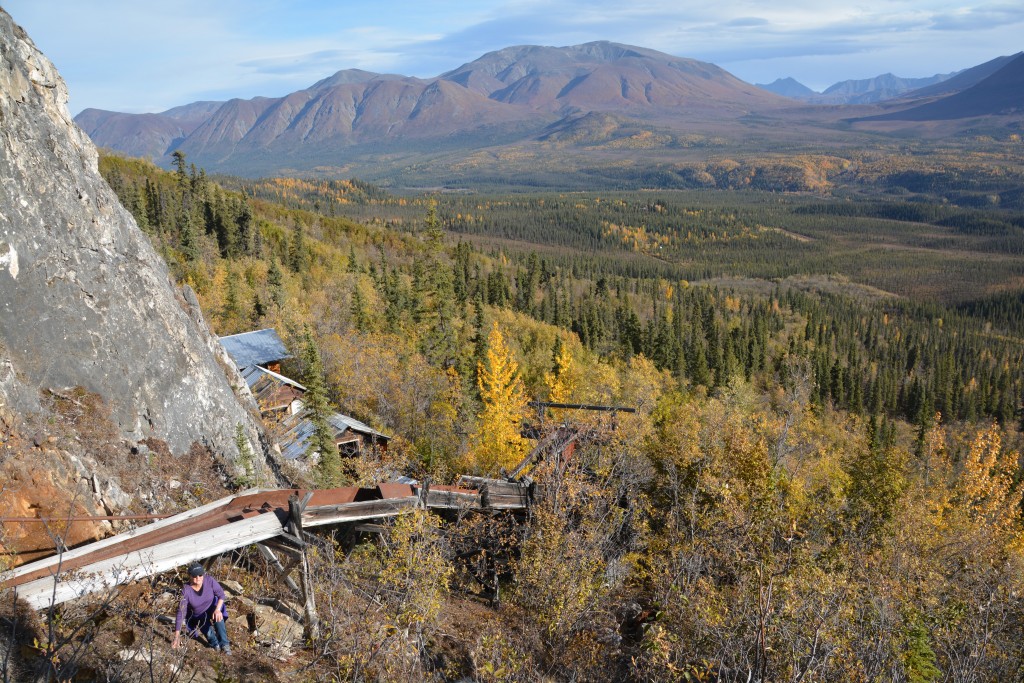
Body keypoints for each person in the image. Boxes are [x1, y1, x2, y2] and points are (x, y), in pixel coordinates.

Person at [171, 563, 231, 654]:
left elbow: (221, 595)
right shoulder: (186, 590)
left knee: (219, 618)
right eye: (195, 576)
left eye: (200, 575)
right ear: (190, 576)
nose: (198, 578)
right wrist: (177, 636)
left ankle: (225, 645)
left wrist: (218, 609)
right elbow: (181, 612)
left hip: (211, 607)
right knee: (208, 633)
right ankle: (215, 645)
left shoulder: (209, 580)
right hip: (198, 615)